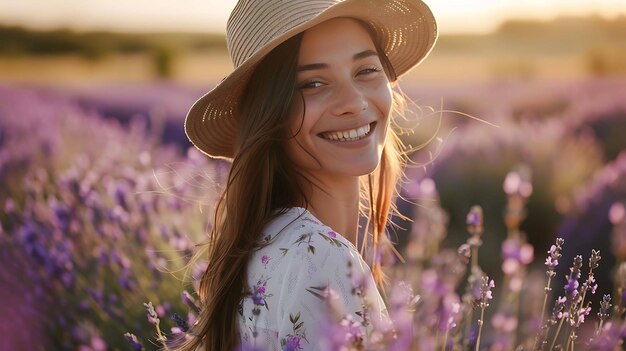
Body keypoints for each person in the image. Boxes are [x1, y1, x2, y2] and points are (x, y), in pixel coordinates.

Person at [178, 0, 437, 350]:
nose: (354, 102)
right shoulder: (323, 258)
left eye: (366, 70)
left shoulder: (268, 239)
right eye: (313, 83)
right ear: (270, 116)